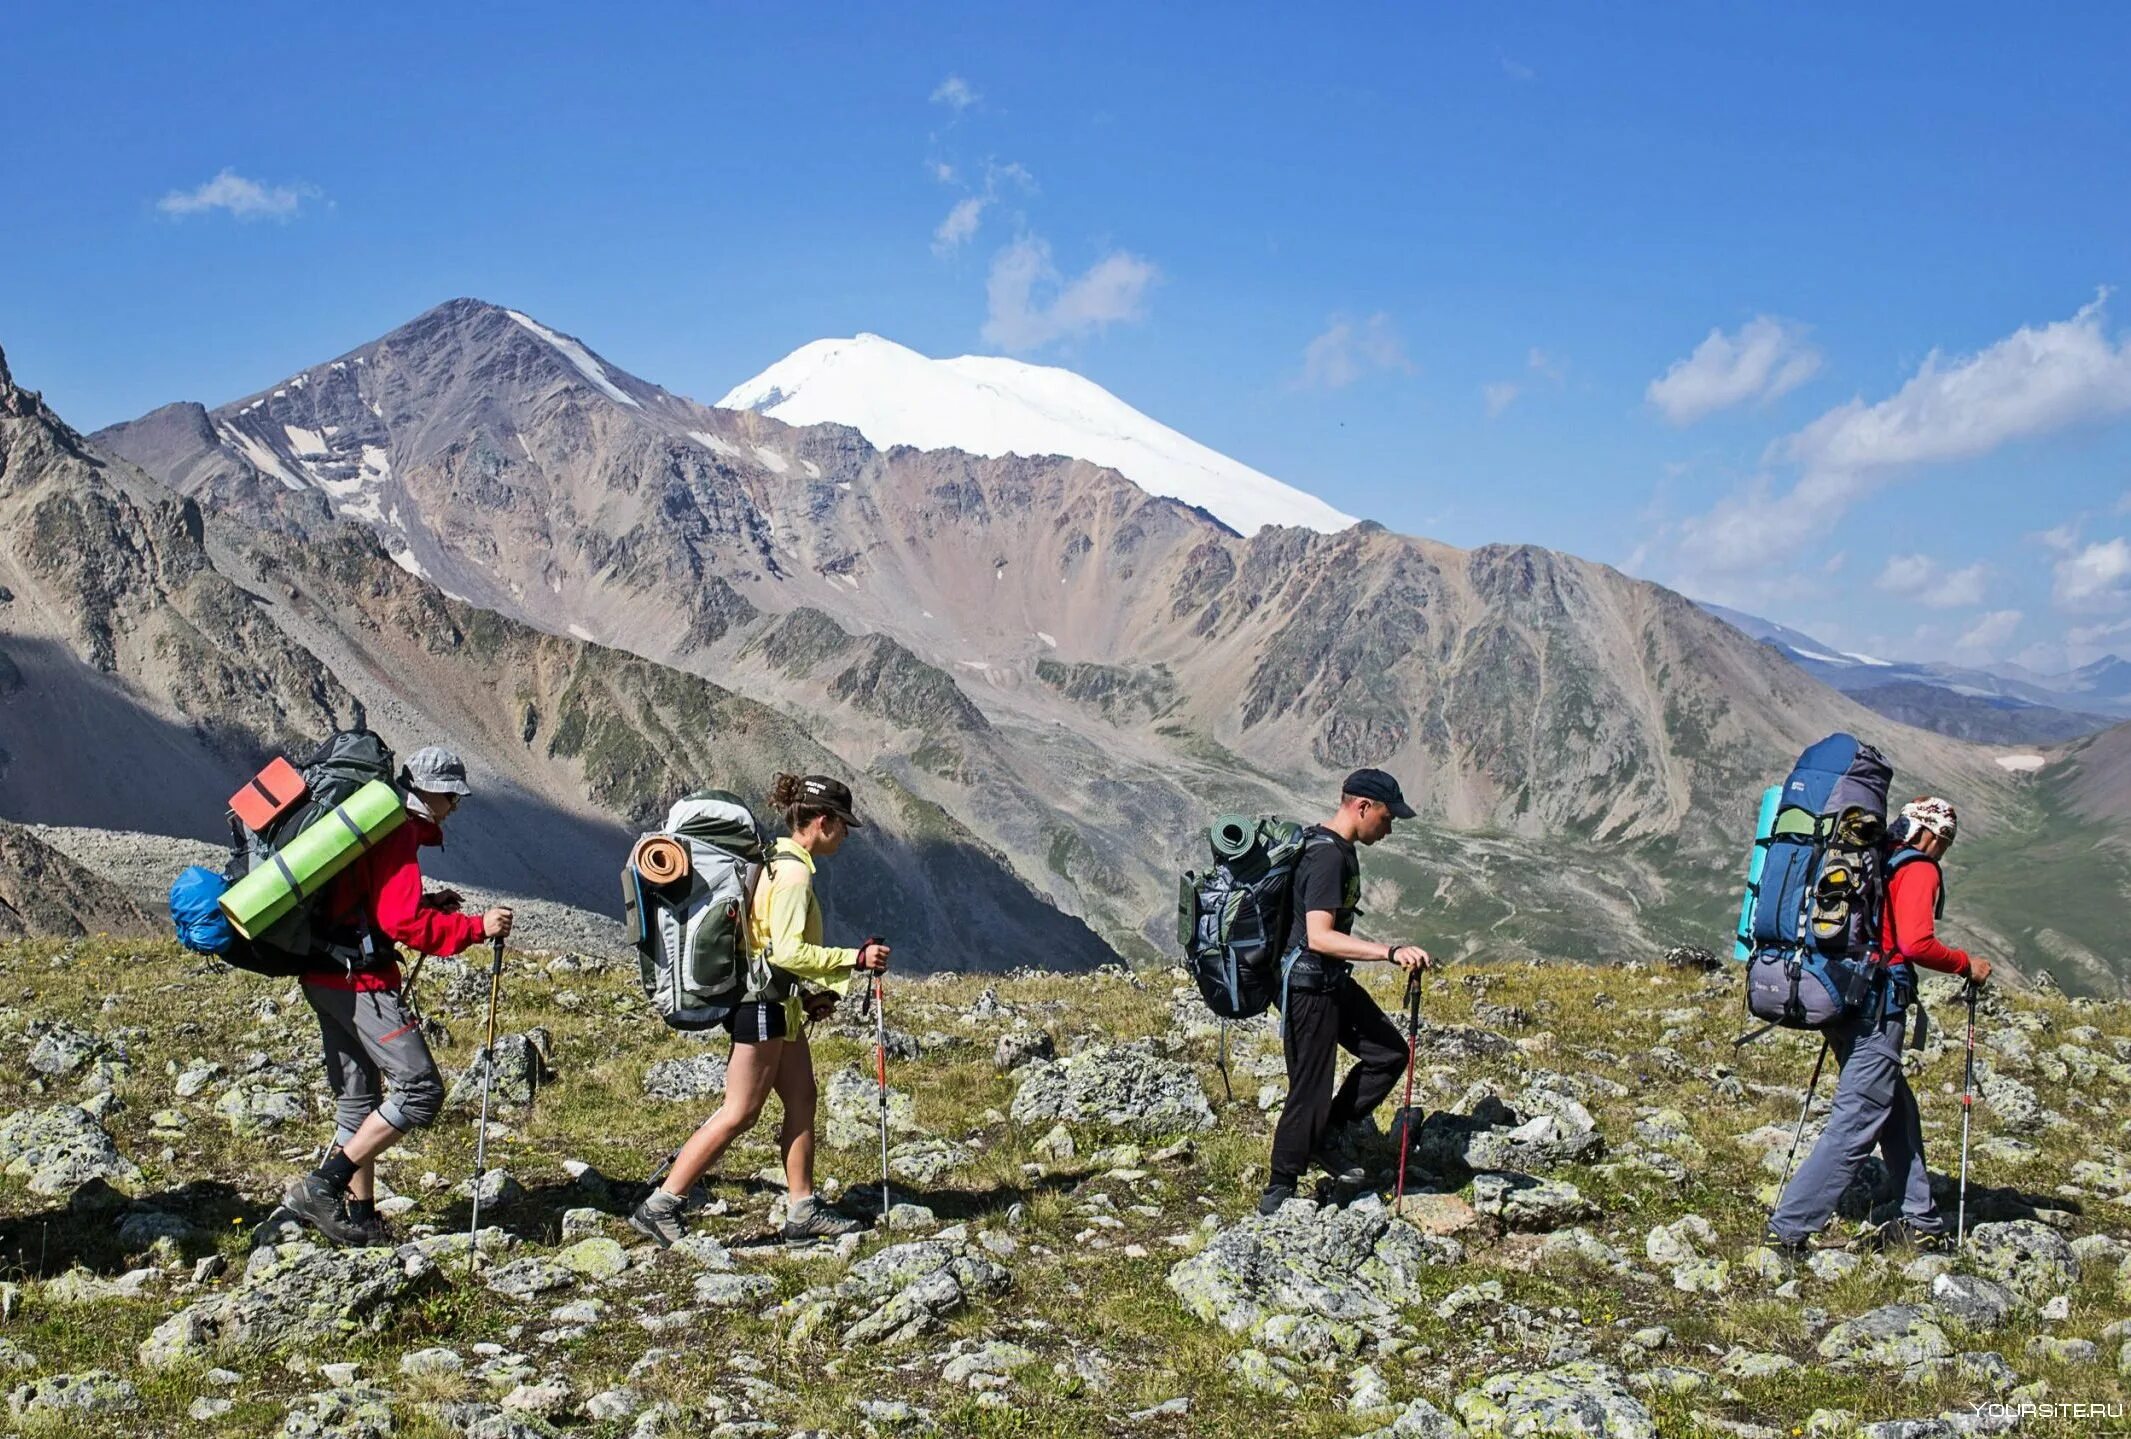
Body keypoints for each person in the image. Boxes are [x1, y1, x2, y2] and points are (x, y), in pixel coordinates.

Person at [630, 772, 891, 1246]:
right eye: (844, 825)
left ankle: (802, 1211)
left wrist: (815, 993)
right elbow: (788, 952)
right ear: (822, 822)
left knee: (802, 1099)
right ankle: (661, 1204)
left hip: (779, 1004)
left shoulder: (777, 860)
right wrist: (854, 959)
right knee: (741, 1111)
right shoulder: (792, 873)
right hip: (763, 1007)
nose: (847, 835)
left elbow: (770, 946)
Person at [279, 745, 514, 1246]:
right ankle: (323, 1186)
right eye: (452, 797)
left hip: (322, 972)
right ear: (429, 792)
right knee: (422, 1089)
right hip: (358, 980)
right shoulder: (397, 832)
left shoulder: (374, 822)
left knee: (360, 1100)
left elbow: (369, 900)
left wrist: (432, 902)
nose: (454, 807)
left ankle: (358, 1217)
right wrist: (475, 927)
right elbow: (400, 922)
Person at [1766, 796, 1990, 1256]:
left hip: (1840, 996)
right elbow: (1916, 942)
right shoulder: (1919, 867)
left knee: (1895, 1108)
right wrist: (1967, 964)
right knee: (1858, 1120)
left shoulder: (1873, 857)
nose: (1943, 850)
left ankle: (1921, 1218)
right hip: (1877, 1005)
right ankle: (1787, 1231)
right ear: (1933, 835)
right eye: (1944, 841)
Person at [1261, 768, 1432, 1215]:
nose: (1390, 827)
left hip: (1330, 980)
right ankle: (1279, 1188)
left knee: (1389, 1053)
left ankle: (1327, 1135)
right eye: (1388, 816)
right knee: (1309, 1089)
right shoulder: (1328, 858)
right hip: (1308, 988)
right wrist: (1388, 952)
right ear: (1362, 806)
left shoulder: (1334, 848)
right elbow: (1319, 936)